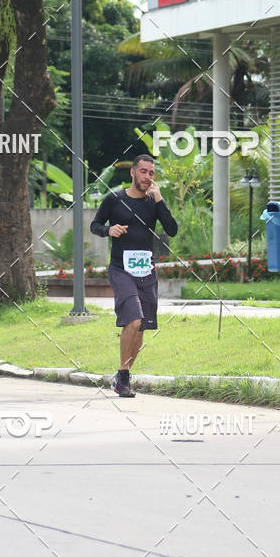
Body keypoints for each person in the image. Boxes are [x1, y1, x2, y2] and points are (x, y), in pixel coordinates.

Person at [90, 154, 178, 397]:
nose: (147, 177)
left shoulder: (154, 202)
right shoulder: (114, 199)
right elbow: (95, 225)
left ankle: (123, 376)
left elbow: (172, 230)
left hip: (146, 271)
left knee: (141, 327)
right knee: (134, 320)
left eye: (151, 173)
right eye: (143, 171)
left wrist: (160, 201)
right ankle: (123, 374)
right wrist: (109, 230)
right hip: (121, 269)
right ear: (133, 172)